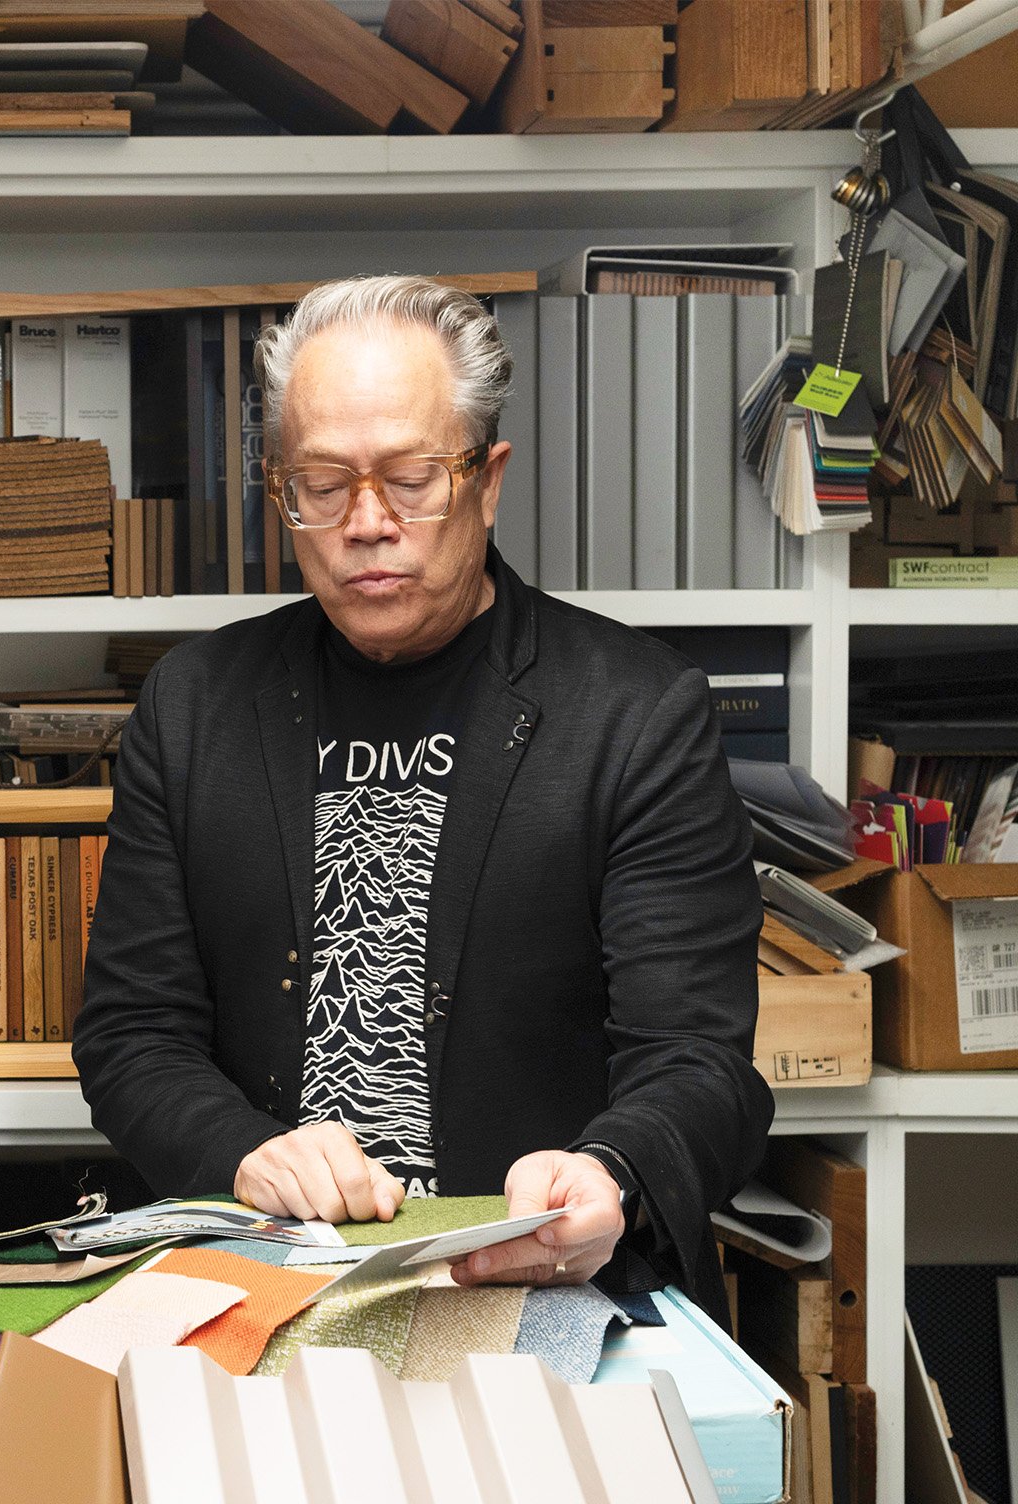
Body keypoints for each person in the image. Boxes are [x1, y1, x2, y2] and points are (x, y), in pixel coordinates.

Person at [71, 275, 773, 1315]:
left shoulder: (632, 712)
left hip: (546, 1288)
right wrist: (245, 1155)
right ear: (283, 491)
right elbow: (131, 1033)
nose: (364, 523)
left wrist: (612, 1171)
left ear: (486, 481)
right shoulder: (194, 706)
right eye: (321, 482)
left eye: (408, 478)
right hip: (263, 1286)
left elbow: (697, 1059)